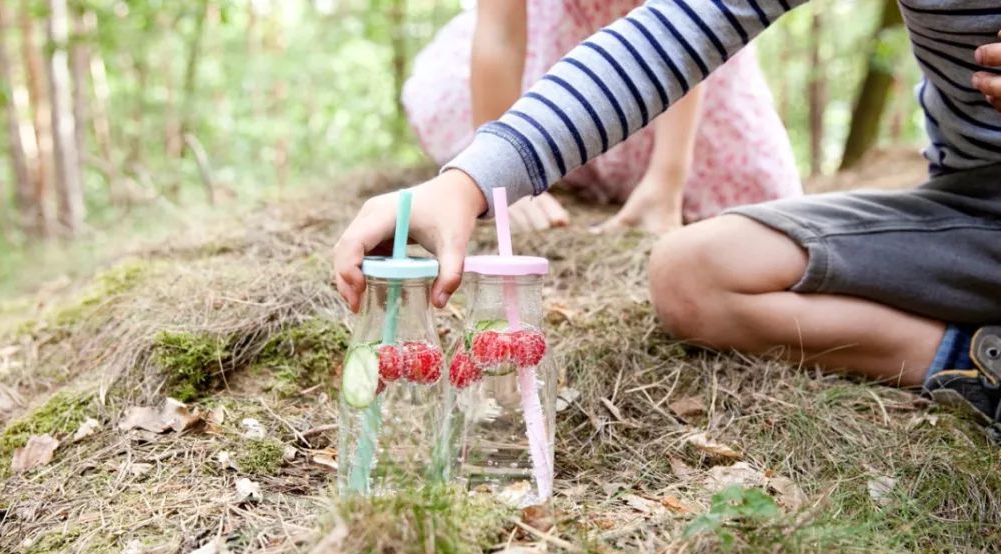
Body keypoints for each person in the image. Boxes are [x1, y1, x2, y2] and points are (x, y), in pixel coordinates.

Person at [334, 2, 1001, 441]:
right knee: (692, 272)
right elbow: (673, 31)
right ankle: (971, 365)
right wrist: (470, 180)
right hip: (970, 210)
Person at [402, 0, 801, 233]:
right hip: (563, 59)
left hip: (692, 67)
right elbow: (500, 37)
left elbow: (686, 34)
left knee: (765, 198)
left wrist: (667, 179)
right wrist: (497, 178)